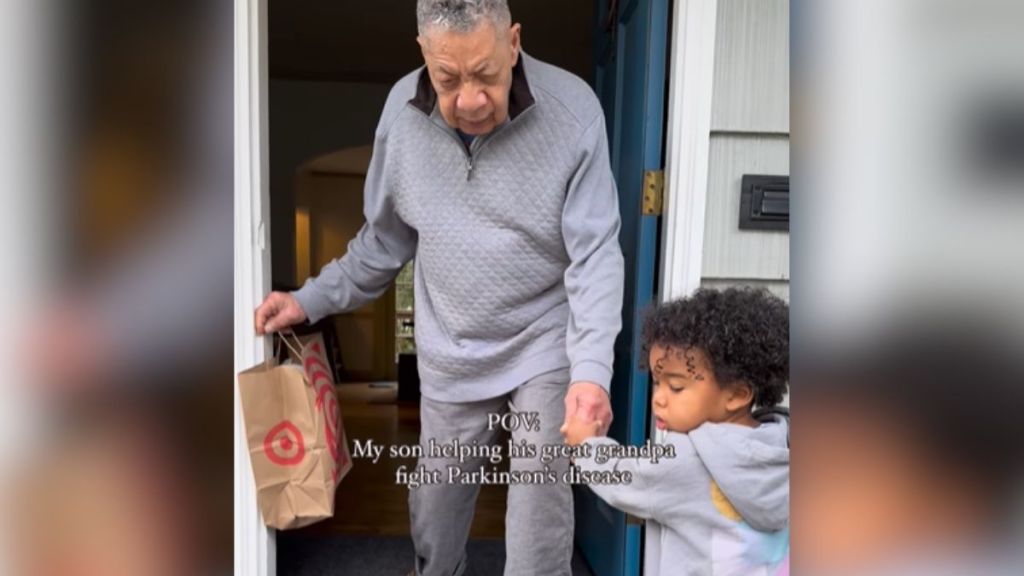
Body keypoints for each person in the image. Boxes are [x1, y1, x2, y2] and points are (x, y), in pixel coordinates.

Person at [254, 1, 624, 574]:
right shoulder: (401, 117)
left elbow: (595, 254)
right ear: (423, 53)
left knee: (538, 501)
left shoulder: (575, 111)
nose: (470, 101)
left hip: (545, 342)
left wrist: (592, 372)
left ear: (514, 42)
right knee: (436, 506)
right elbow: (382, 243)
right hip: (451, 349)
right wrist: (308, 300)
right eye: (448, 79)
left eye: (486, 74)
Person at [563, 287, 790, 576]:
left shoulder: (687, 458)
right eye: (657, 382)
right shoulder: (784, 447)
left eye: (676, 387)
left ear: (736, 394)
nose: (658, 398)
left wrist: (584, 445)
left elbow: (622, 475)